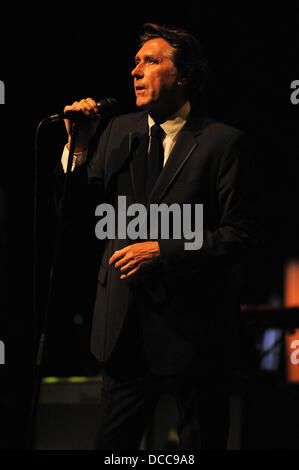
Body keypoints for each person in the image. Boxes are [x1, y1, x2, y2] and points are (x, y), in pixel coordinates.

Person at [56, 23, 261, 450]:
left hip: (194, 334)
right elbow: (73, 217)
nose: (136, 71)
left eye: (151, 61)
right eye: (135, 63)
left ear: (183, 75)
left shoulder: (222, 142)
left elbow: (239, 235)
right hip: (124, 329)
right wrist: (78, 147)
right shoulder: (115, 131)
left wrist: (163, 250)